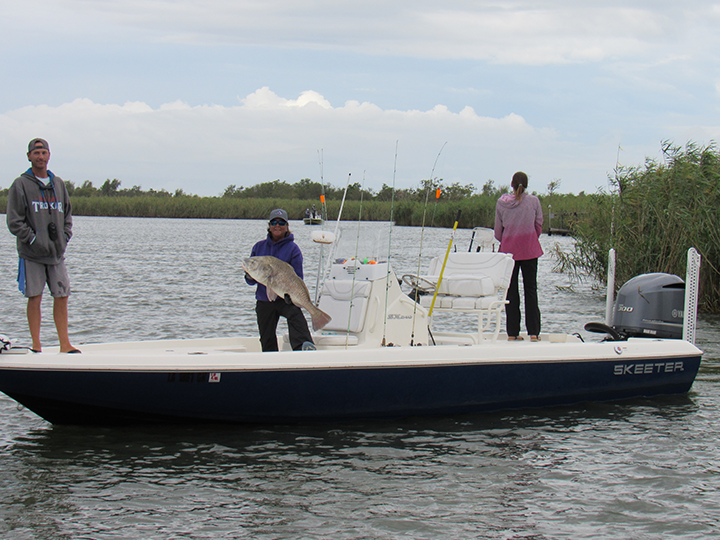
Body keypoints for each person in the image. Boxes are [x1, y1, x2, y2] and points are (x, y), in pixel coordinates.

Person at [6, 138, 80, 353]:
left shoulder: (58, 184)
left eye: (44, 153)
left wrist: (64, 237)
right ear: (29, 156)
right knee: (34, 296)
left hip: (56, 253)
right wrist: (32, 239)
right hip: (32, 254)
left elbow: (67, 214)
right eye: (36, 153)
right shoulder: (20, 184)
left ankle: (64, 344)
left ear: (49, 156)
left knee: (62, 295)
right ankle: (36, 345)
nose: (40, 157)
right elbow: (14, 221)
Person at [245, 209, 315, 351]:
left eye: (281, 222)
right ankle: (271, 360)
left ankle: (304, 348)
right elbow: (251, 281)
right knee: (266, 337)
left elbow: (298, 278)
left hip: (285, 298)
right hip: (264, 299)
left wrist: (291, 297)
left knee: (296, 316)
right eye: (274, 222)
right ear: (269, 226)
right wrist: (248, 275)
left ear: (287, 226)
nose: (277, 225)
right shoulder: (259, 247)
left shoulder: (293, 249)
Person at [494, 171, 543, 342]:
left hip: (509, 253)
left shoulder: (501, 204)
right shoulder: (534, 201)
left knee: (510, 292)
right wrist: (529, 237)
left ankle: (512, 333)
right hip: (530, 250)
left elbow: (498, 232)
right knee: (531, 290)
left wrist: (508, 240)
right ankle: (534, 333)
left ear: (511, 184)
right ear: (526, 185)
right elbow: (539, 225)